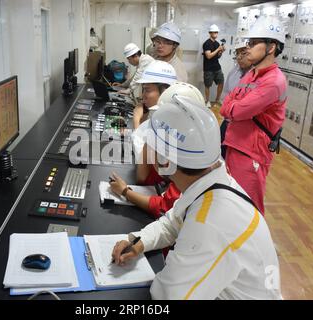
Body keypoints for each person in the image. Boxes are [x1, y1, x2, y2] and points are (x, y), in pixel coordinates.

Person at [110, 94, 281, 300]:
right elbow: (173, 222)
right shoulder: (211, 184)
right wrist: (139, 242)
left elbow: (168, 296)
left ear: (164, 162)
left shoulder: (210, 223)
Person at [220, 16, 287, 215]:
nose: (247, 48)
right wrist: (233, 107)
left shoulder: (274, 81)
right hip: (234, 145)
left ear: (271, 46)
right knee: (231, 202)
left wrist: (233, 107)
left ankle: (253, 246)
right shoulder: (252, 74)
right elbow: (226, 105)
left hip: (251, 154)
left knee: (248, 209)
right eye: (248, 43)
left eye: (253, 43)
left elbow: (237, 111)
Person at [110, 82, 205, 219]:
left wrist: (125, 191)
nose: (143, 96)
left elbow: (164, 206)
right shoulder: (187, 142)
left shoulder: (189, 159)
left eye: (147, 90)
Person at [220, 37, 252, 159]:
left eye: (243, 53)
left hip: (244, 128)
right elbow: (226, 96)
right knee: (220, 153)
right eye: (237, 53)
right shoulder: (234, 72)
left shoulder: (258, 76)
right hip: (228, 121)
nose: (239, 57)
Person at [131, 60, 177, 130]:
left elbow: (140, 141)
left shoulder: (172, 122)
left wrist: (136, 120)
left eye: (147, 90)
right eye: (143, 90)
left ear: (165, 92)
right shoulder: (159, 114)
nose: (143, 96)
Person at [203, 24, 225, 108]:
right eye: (214, 32)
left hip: (217, 67)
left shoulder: (217, 43)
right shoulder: (206, 44)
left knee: (221, 82)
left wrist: (221, 51)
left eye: (217, 32)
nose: (216, 34)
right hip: (208, 68)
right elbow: (208, 56)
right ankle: (207, 101)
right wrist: (218, 49)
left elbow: (217, 56)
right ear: (210, 33)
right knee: (207, 85)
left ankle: (217, 99)